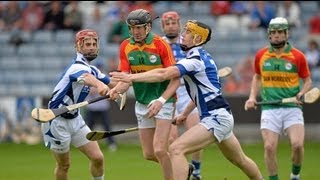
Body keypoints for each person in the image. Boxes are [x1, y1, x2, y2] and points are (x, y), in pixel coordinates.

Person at [110, 20, 264, 180]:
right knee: (240, 160)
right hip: (220, 116)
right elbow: (201, 95)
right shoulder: (197, 57)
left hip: (215, 118)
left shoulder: (194, 60)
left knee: (176, 149)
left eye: (187, 33)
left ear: (197, 39)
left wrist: (130, 77)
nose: (182, 35)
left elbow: (163, 74)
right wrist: (184, 114)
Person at [108, 9, 180, 180]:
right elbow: (126, 80)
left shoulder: (160, 45)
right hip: (142, 102)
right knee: (149, 154)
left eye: (139, 28)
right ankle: (182, 167)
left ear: (148, 27)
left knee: (160, 149)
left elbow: (176, 79)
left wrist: (162, 100)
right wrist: (115, 90)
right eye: (132, 28)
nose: (136, 32)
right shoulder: (126, 46)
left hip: (164, 100)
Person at [41, 29, 118, 180]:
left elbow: (113, 82)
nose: (91, 47)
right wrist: (100, 86)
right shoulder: (77, 67)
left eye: (94, 44)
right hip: (57, 121)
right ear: (78, 47)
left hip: (75, 119)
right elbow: (87, 77)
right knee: (64, 165)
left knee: (98, 158)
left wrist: (134, 81)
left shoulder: (92, 68)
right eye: (87, 44)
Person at [244, 17, 312, 180]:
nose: (276, 36)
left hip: (292, 107)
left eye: (280, 32)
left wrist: (301, 93)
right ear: (269, 35)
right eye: (273, 32)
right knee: (269, 147)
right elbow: (257, 77)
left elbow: (308, 81)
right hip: (270, 108)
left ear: (287, 34)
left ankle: (295, 175)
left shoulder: (298, 56)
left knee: (297, 145)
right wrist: (252, 97)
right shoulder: (261, 55)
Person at [160, 11, 202, 180]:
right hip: (169, 93)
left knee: (195, 133)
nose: (171, 26)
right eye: (167, 23)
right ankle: (185, 168)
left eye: (173, 23)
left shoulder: (187, 42)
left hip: (187, 92)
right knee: (171, 138)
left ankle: (197, 172)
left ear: (179, 24)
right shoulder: (159, 45)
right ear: (162, 26)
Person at [85, 62, 118, 152]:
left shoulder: (105, 78)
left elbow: (108, 90)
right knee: (88, 127)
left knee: (107, 126)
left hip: (103, 107)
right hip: (92, 107)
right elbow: (91, 92)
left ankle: (111, 143)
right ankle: (85, 143)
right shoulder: (90, 79)